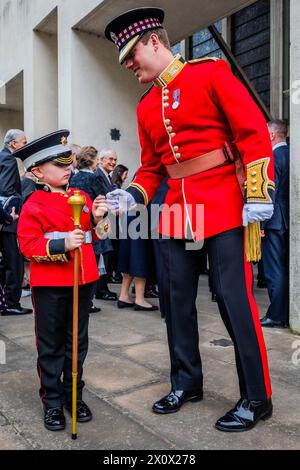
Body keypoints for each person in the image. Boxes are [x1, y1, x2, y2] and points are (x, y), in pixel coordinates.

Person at [105, 7, 275, 432]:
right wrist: (131, 195)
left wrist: (258, 191)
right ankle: (186, 382)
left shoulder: (210, 73)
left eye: (131, 56)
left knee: (235, 301)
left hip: (223, 203)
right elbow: (151, 168)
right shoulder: (146, 108)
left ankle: (256, 397)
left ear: (153, 42)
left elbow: (252, 130)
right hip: (176, 213)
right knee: (176, 303)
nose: (129, 66)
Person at [16, 130, 108, 431]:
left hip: (83, 281)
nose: (67, 167)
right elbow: (27, 245)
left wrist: (96, 219)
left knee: (77, 344)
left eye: (68, 162)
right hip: (51, 285)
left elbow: (95, 235)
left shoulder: (80, 197)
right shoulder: (33, 204)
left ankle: (73, 396)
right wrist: (61, 244)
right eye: (58, 163)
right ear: (37, 171)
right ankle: (53, 402)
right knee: (51, 345)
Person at [260, 120, 289, 328]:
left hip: (274, 222)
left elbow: (270, 193)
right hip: (287, 221)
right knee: (284, 268)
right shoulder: (291, 154)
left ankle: (276, 314)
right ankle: (284, 311)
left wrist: (261, 224)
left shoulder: (273, 157)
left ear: (271, 135)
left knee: (274, 270)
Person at [70, 146, 106, 314]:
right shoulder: (95, 178)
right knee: (94, 258)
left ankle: (80, 297)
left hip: (77, 221)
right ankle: (88, 301)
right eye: (97, 159)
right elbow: (103, 197)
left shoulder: (74, 177)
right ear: (91, 161)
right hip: (93, 220)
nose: (98, 162)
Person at [0, 129, 32, 316]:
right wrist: (13, 207)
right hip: (9, 219)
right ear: (13, 144)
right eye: (23, 141)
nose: (25, 144)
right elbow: (5, 188)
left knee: (6, 263)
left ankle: (5, 300)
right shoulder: (9, 159)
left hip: (4, 218)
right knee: (14, 263)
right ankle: (11, 303)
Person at [94, 150, 118, 301]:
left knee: (106, 254)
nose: (113, 162)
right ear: (101, 160)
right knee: (102, 254)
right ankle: (101, 290)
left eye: (115, 160)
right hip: (100, 220)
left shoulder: (107, 176)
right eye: (110, 159)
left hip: (107, 220)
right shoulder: (98, 175)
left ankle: (103, 288)